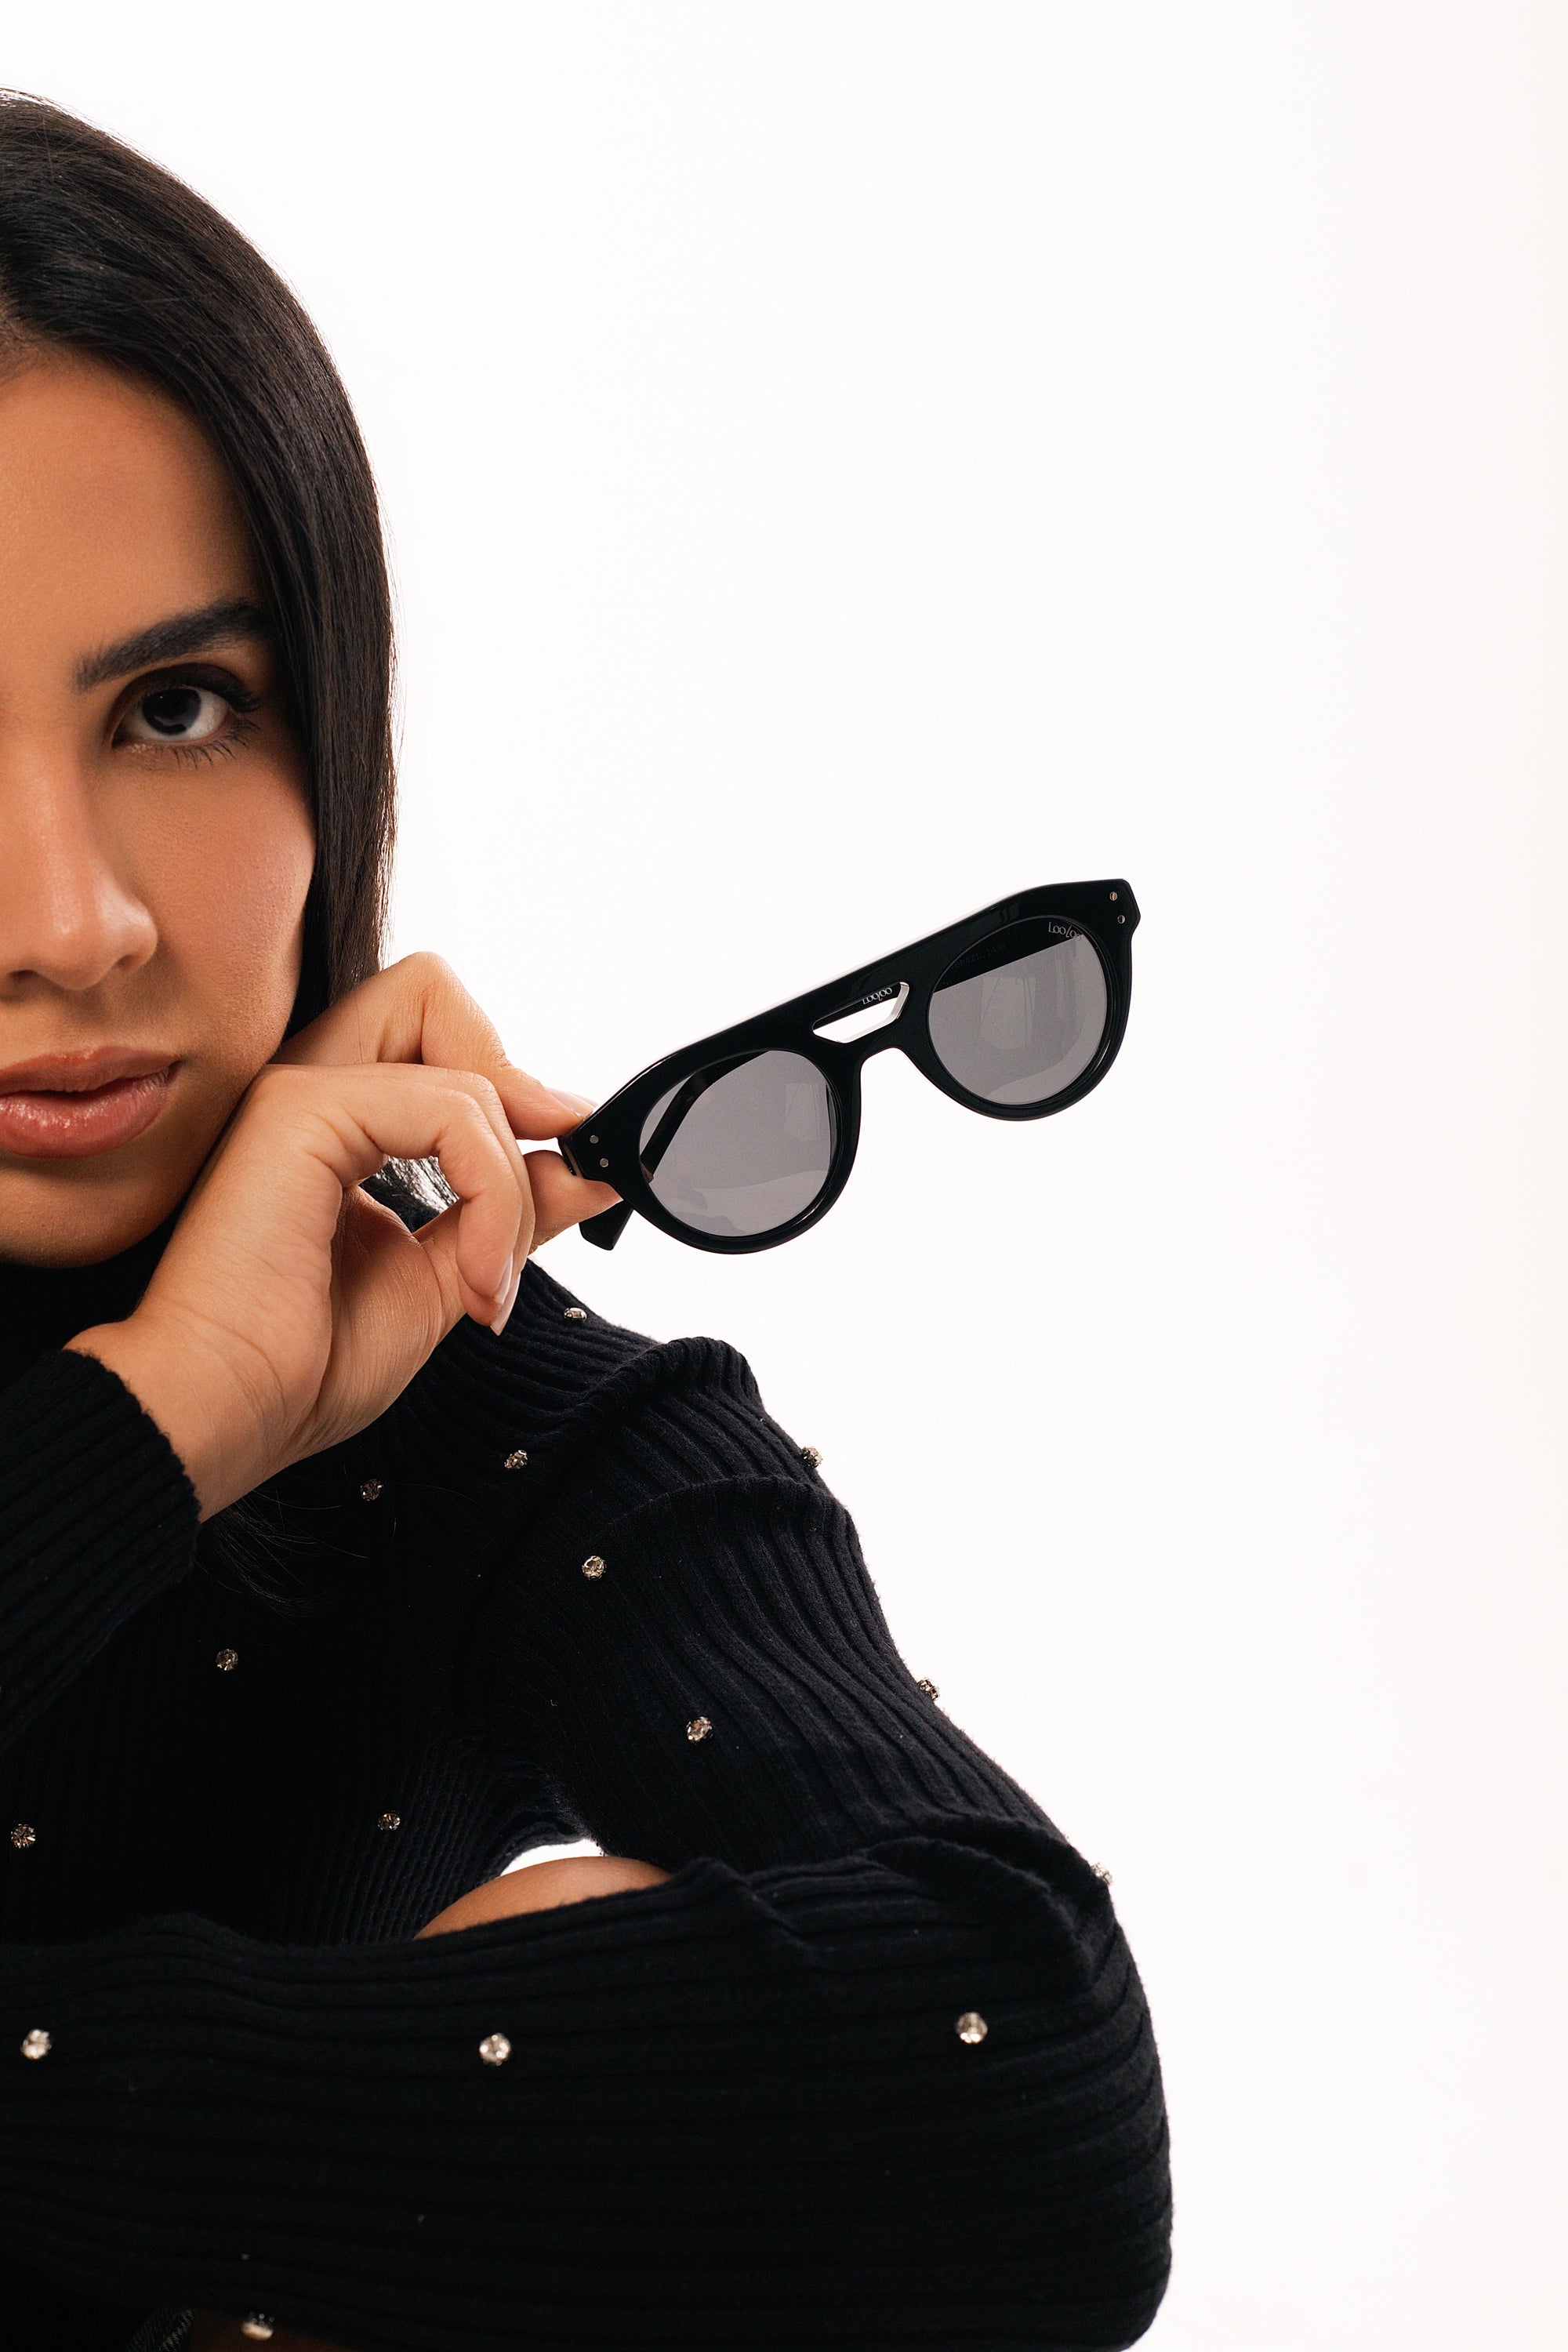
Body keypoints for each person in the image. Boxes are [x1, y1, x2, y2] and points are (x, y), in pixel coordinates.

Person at [0, 94, 1171, 2352]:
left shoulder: (493, 1414)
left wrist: (237, 1394)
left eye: (177, 707)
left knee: (614, 1979)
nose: (73, 918)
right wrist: (148, 1420)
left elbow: (1025, 2092)